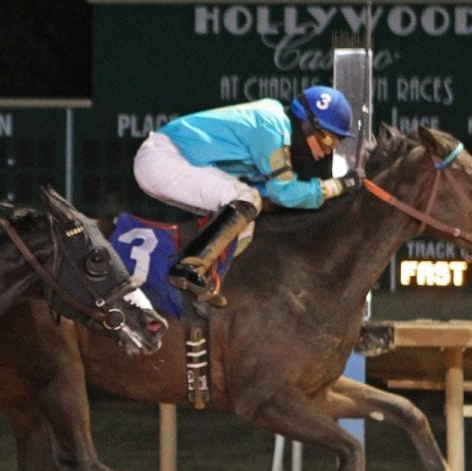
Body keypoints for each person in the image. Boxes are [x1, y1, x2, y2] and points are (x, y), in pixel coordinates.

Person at [133, 85, 361, 307]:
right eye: (328, 140)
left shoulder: (276, 126)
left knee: (246, 219)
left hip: (167, 161)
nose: (327, 150)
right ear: (307, 126)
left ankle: (214, 284)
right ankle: (189, 268)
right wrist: (337, 187)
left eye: (336, 143)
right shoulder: (270, 127)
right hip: (162, 159)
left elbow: (270, 193)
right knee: (247, 199)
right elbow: (284, 193)